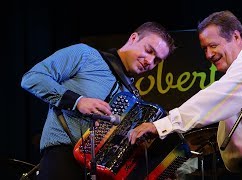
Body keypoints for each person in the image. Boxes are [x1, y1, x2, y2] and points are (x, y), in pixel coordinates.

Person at [129, 10, 242, 180]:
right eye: (204, 49)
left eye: (213, 45)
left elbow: (213, 98)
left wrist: (162, 124)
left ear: (236, 37)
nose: (208, 54)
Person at [21, 21, 176, 180]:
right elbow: (32, 78)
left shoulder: (134, 96)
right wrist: (78, 101)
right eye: (149, 50)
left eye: (157, 60)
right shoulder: (84, 54)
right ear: (134, 38)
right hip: (63, 158)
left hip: (100, 172)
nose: (150, 61)